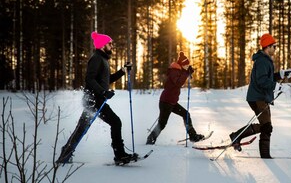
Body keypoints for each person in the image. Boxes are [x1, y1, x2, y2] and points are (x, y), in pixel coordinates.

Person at [56, 31, 136, 165]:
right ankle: (120, 155)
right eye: (110, 43)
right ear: (102, 45)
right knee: (115, 122)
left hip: (96, 98)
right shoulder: (97, 58)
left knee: (83, 128)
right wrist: (103, 92)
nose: (112, 46)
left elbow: (106, 79)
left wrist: (122, 71)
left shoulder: (103, 59)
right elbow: (89, 79)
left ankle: (65, 153)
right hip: (94, 99)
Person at [228, 33, 291, 158]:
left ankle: (262, 152)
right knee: (266, 127)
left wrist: (282, 74)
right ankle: (238, 136)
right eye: (274, 46)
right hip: (258, 97)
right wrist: (278, 87)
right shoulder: (263, 61)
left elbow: (267, 77)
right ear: (267, 47)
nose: (276, 48)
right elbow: (262, 80)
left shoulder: (265, 60)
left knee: (266, 127)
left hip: (261, 97)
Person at [146, 51, 204, 145]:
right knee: (162, 123)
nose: (187, 66)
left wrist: (187, 73)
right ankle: (150, 139)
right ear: (182, 65)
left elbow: (181, 78)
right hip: (166, 102)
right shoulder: (174, 71)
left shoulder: (179, 71)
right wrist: (186, 73)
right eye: (186, 64)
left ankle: (193, 136)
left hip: (172, 102)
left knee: (186, 115)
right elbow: (178, 82)